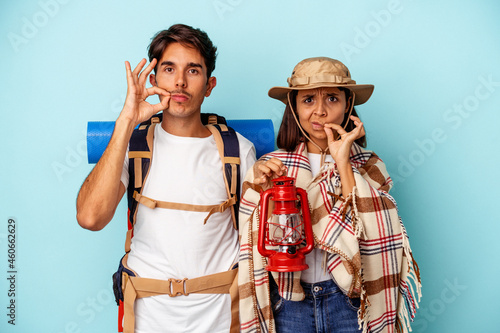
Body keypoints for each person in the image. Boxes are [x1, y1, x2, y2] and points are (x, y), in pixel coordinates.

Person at [76, 24, 256, 333]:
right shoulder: (132, 145)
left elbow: (257, 241)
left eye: (193, 71)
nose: (180, 82)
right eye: (169, 69)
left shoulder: (238, 149)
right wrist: (127, 120)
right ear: (153, 79)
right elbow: (91, 217)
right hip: (147, 316)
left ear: (209, 85)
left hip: (220, 316)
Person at [238, 57, 421, 333]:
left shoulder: (369, 165)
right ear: (294, 107)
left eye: (332, 99)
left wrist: (343, 162)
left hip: (349, 302)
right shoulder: (275, 165)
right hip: (291, 302)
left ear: (348, 105)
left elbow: (372, 230)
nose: (320, 111)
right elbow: (248, 235)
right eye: (308, 100)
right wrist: (262, 184)